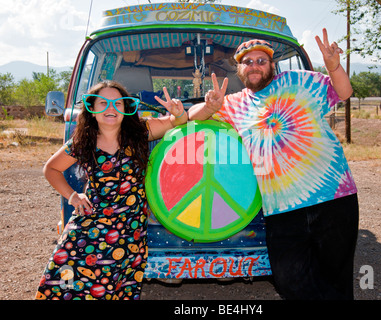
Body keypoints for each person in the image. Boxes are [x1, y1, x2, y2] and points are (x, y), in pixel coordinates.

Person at [188, 29, 359, 300]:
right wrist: (209, 107)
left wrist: (334, 67)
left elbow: (344, 92)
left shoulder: (298, 82)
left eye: (261, 61)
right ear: (239, 69)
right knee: (287, 279)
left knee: (336, 275)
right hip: (281, 207)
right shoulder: (233, 104)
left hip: (334, 198)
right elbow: (191, 116)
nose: (254, 66)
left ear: (271, 65)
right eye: (248, 62)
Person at [35, 80, 187, 300]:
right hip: (91, 223)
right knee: (65, 281)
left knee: (115, 286)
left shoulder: (140, 133)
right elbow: (51, 169)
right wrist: (72, 195)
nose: (111, 108)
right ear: (92, 109)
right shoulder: (82, 141)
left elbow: (175, 122)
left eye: (118, 103)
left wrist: (179, 113)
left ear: (126, 109)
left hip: (129, 227)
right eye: (103, 103)